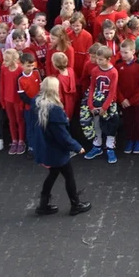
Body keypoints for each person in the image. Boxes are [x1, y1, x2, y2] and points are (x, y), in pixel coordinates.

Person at [30, 77, 91, 217]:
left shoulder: (36, 102)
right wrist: (76, 146)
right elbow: (61, 135)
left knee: (53, 174)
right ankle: (75, 205)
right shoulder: (55, 110)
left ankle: (43, 205)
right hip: (56, 150)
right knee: (68, 175)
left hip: (45, 148)